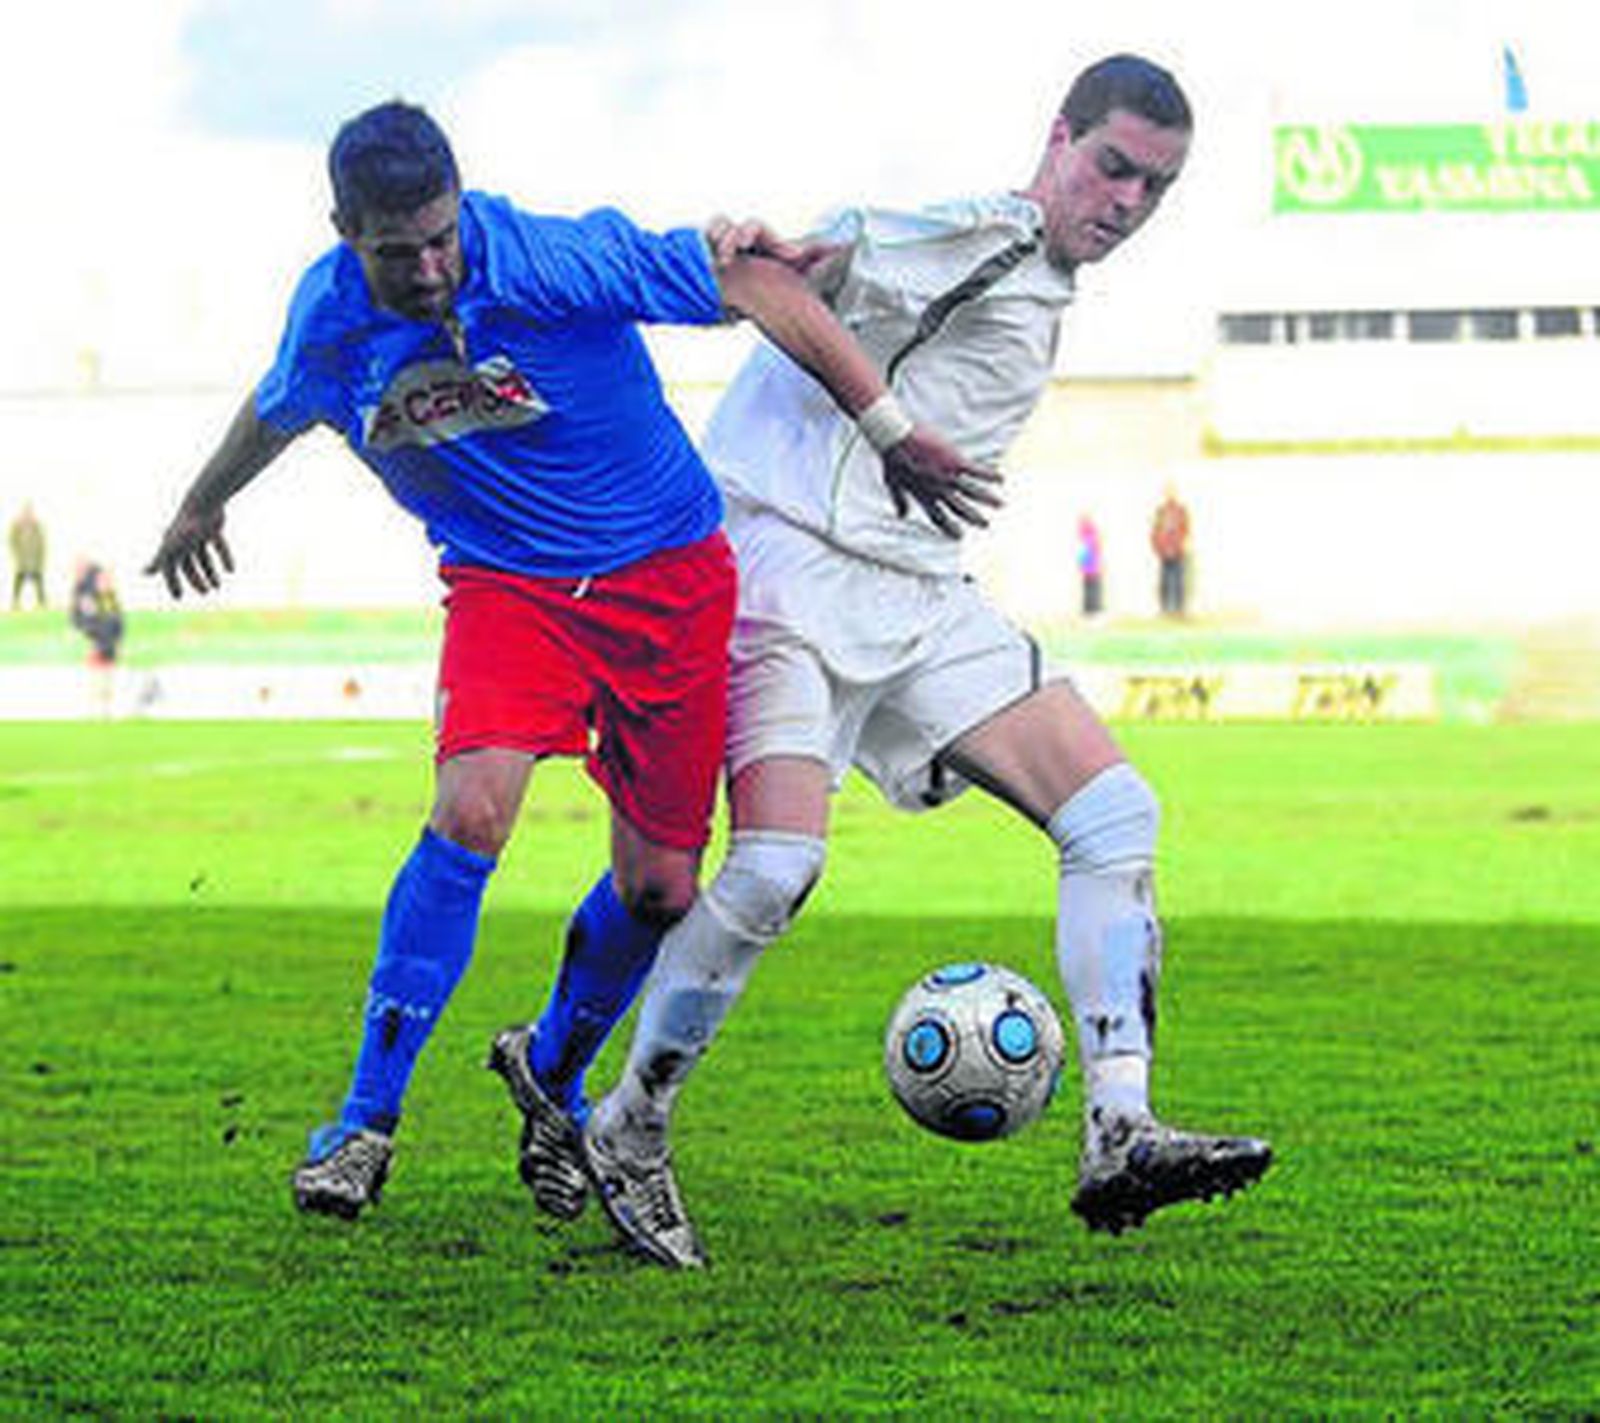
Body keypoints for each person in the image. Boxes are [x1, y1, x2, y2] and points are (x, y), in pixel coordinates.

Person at [145, 101, 990, 1222]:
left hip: (670, 583)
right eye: (400, 252)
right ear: (346, 230)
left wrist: (890, 431)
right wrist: (202, 503)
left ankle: (550, 1070)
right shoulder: (331, 319)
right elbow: (278, 405)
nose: (433, 268)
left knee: (661, 888)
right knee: (472, 812)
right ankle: (361, 1122)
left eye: (443, 236)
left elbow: (754, 286)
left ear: (460, 204)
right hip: (508, 592)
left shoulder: (552, 258)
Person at [562, 55, 1271, 1268]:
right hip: (783, 566)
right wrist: (880, 408)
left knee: (1112, 813)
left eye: (1153, 187)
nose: (1125, 201)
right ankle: (627, 1126)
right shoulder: (983, 234)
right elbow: (786, 268)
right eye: (1110, 166)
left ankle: (1119, 1124)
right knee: (777, 866)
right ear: (1058, 138)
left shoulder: (1043, 280)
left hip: (917, 596)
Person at [69, 559, 124, 716]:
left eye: (108, 580)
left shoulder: (112, 600)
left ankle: (106, 712)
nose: (106, 583)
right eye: (103, 580)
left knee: (108, 681)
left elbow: (119, 624)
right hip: (97, 644)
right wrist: (91, 638)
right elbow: (85, 620)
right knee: (96, 680)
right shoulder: (89, 598)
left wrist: (118, 642)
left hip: (110, 646)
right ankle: (95, 712)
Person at [1151, 483, 1190, 617]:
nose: (1170, 495)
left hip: (1177, 550)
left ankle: (1179, 608)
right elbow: (1155, 529)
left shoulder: (1180, 510)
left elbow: (1185, 529)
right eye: (1168, 492)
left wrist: (1179, 544)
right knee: (1164, 581)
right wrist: (1157, 547)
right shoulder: (1160, 511)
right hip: (1163, 551)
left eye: (1172, 492)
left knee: (1178, 580)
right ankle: (1164, 608)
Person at [10, 502, 46, 609]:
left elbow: (42, 543)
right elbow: (12, 541)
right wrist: (17, 555)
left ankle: (42, 603)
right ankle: (15, 602)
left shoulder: (37, 526)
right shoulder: (16, 526)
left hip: (35, 560)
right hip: (22, 560)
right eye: (26, 513)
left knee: (38, 580)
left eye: (29, 513)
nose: (28, 515)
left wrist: (41, 559)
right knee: (19, 579)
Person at [1077, 512, 1104, 617]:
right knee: (1089, 588)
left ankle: (1093, 610)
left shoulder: (1090, 538)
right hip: (1089, 568)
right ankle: (1090, 609)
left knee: (1092, 589)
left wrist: (1092, 565)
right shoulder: (1087, 539)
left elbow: (1093, 552)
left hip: (1092, 567)